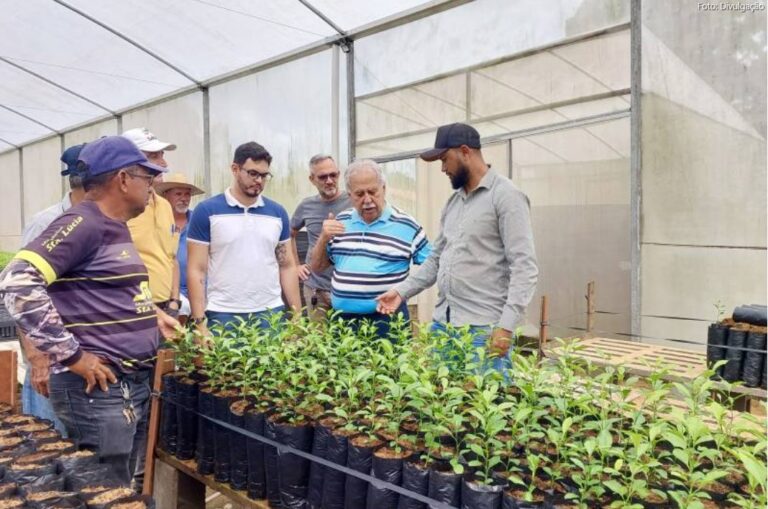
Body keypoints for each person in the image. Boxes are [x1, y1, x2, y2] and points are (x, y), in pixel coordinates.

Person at [0, 136, 179, 490]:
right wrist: (72, 355)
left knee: (118, 484)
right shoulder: (83, 223)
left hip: (126, 384)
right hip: (98, 389)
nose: (153, 186)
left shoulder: (114, 226)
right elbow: (17, 282)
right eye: (148, 177)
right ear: (123, 179)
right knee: (103, 487)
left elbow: (105, 287)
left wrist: (151, 314)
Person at [376, 123, 538, 369]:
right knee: (444, 402)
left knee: (485, 402)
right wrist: (401, 291)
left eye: (444, 159)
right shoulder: (454, 202)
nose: (442, 168)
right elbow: (435, 259)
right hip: (445, 323)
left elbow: (524, 267)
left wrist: (506, 326)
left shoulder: (506, 196)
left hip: (483, 329)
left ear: (465, 151)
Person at [187, 142, 301, 334]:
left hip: (270, 313)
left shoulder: (277, 213)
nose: (259, 180)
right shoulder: (207, 211)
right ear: (235, 169)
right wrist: (199, 322)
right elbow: (196, 269)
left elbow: (287, 265)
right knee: (224, 365)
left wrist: (297, 317)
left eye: (264, 175)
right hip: (223, 314)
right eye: (253, 173)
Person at [310, 159, 431, 338]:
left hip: (387, 321)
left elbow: (433, 266)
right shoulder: (340, 222)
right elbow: (318, 267)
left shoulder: (407, 225)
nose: (367, 200)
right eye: (359, 194)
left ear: (383, 189)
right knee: (342, 367)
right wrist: (323, 238)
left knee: (390, 367)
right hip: (343, 322)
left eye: (372, 192)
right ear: (349, 195)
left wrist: (404, 291)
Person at [17, 144, 86, 434]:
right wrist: (36, 356)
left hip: (81, 354)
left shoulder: (102, 223)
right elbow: (21, 292)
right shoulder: (46, 223)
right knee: (48, 438)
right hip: (49, 355)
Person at [122, 127, 182, 317]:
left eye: (162, 155)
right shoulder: (121, 208)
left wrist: (174, 301)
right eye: (153, 156)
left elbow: (171, 258)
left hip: (166, 307)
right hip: (131, 309)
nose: (163, 163)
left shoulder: (164, 205)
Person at [290, 155, 352, 321]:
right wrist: (296, 265)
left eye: (333, 175)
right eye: (323, 177)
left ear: (339, 174)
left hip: (348, 288)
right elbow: (289, 233)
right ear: (312, 179)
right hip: (315, 288)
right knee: (319, 342)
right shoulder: (306, 206)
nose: (329, 181)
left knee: (350, 341)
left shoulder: (353, 201)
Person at [155, 173, 204, 324]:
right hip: (168, 294)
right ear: (165, 195)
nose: (184, 198)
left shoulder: (198, 220)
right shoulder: (158, 222)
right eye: (178, 194)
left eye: (187, 194)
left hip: (201, 289)